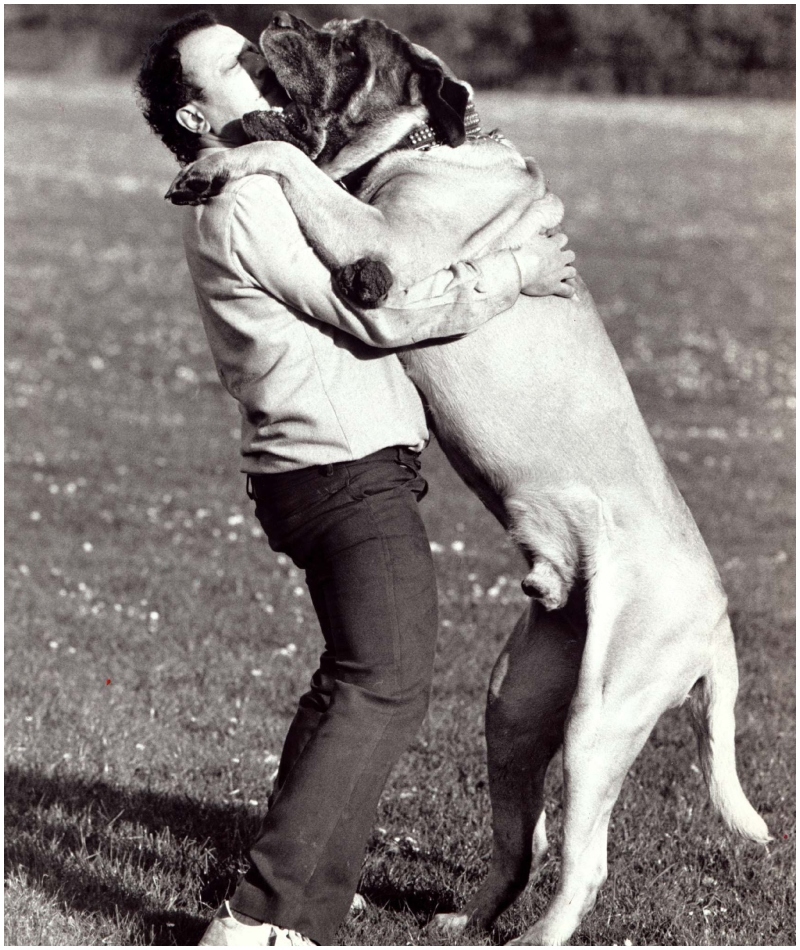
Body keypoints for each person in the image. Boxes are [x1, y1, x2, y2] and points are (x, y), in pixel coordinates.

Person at [136, 12, 576, 947]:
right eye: (238, 70)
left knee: (357, 680)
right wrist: (519, 267)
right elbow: (378, 311)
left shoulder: (256, 181)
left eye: (258, 57)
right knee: (383, 683)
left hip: (322, 469)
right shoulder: (248, 201)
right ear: (192, 117)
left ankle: (308, 906)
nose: (263, 74)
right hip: (339, 475)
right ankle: (257, 918)